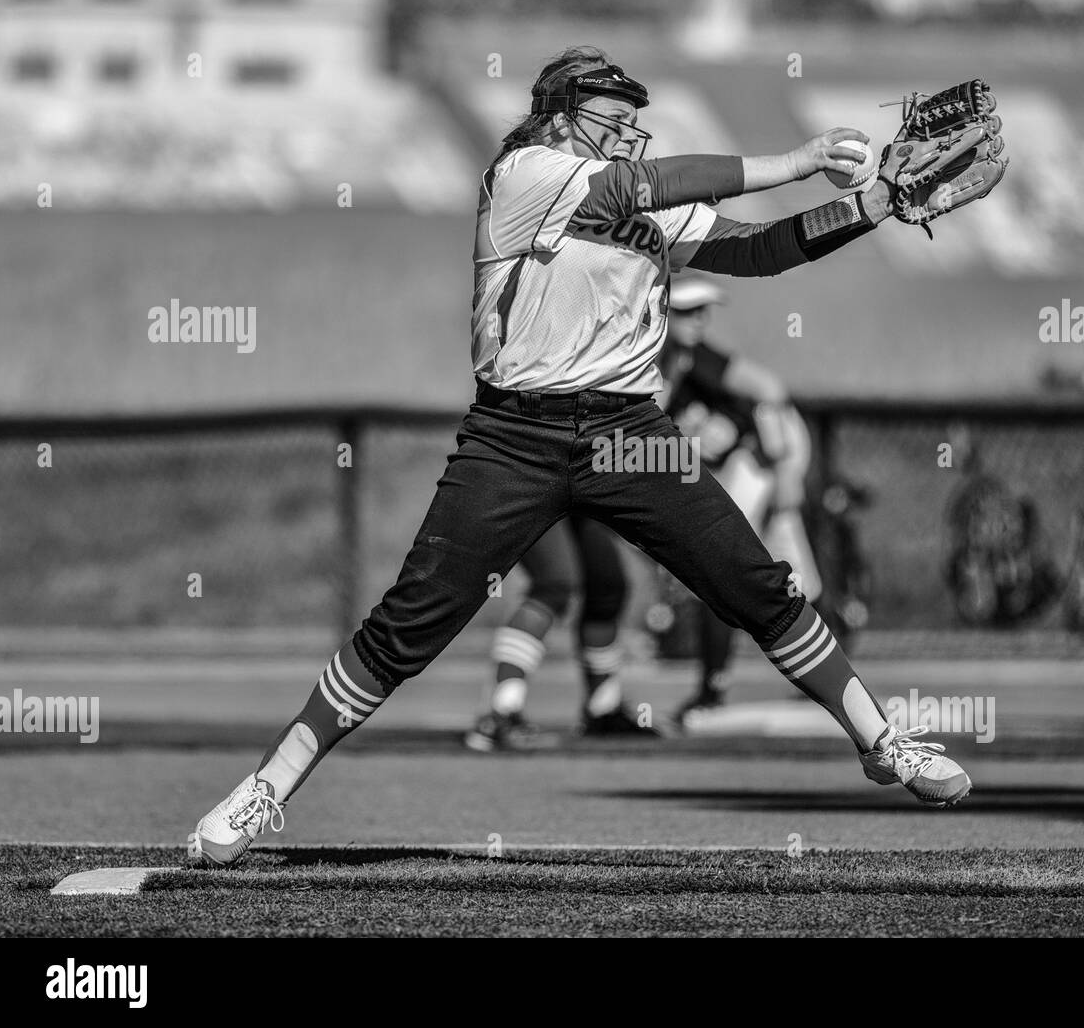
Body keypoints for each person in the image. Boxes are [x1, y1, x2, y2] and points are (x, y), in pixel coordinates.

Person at [193, 45, 978, 867]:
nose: (630, 124)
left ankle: (883, 742)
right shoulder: (527, 171)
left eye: (634, 110)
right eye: (613, 109)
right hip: (514, 436)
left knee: (758, 586)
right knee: (408, 627)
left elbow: (762, 250)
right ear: (562, 110)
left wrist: (875, 205)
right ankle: (265, 790)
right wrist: (800, 158)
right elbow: (630, 190)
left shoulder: (640, 192)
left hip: (630, 432)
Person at [656, 273, 823, 725]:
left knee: (722, 567)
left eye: (702, 310)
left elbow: (770, 393)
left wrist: (785, 467)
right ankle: (821, 680)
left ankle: (713, 690)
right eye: (687, 310)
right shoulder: (660, 361)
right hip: (746, 468)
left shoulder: (699, 359)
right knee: (793, 574)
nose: (699, 318)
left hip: (761, 462)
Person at [463, 516, 661, 751]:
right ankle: (499, 713)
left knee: (606, 585)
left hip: (577, 496)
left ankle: (602, 708)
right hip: (530, 485)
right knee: (554, 584)